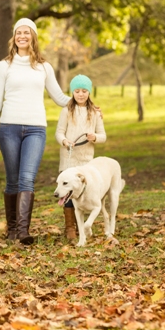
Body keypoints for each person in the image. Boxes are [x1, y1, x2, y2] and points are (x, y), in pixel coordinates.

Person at [0, 18, 70, 245]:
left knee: (26, 179)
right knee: (12, 181)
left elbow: (60, 98)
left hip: (36, 129)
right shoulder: (4, 66)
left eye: (26, 32)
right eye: (18, 32)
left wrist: (84, 101)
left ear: (33, 36)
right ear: (14, 37)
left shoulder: (44, 67)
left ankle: (23, 232)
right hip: (9, 129)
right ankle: (12, 230)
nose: (22, 36)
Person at [55, 74, 106, 240]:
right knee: (67, 192)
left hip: (86, 162)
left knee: (84, 191)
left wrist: (95, 137)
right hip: (69, 159)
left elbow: (103, 135)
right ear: (72, 92)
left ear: (89, 92)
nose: (81, 94)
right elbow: (59, 132)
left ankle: (82, 227)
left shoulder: (95, 113)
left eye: (84, 91)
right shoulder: (66, 111)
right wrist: (64, 141)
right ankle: (69, 228)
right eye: (77, 91)